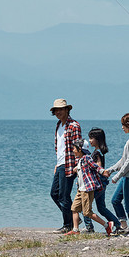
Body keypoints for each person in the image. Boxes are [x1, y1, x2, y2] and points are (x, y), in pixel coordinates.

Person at [65, 139, 114, 236]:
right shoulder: (80, 160)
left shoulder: (87, 158)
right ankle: (75, 230)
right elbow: (81, 170)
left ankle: (107, 225)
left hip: (87, 190)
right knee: (74, 208)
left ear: (80, 149)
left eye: (74, 148)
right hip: (81, 190)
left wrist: (103, 172)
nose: (73, 150)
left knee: (87, 212)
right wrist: (75, 169)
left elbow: (95, 167)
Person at [49, 98, 81, 234]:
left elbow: (78, 146)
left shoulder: (74, 125)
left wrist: (77, 165)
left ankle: (68, 224)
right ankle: (72, 219)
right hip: (61, 164)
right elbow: (59, 147)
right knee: (54, 193)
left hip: (70, 164)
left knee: (63, 195)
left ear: (67, 110)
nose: (58, 112)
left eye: (61, 109)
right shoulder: (58, 125)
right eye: (56, 110)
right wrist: (57, 163)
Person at [81, 128, 121, 233]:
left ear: (97, 139)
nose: (89, 141)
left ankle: (89, 227)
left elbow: (98, 167)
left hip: (97, 183)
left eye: (91, 138)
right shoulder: (99, 152)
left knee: (85, 204)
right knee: (101, 207)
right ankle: (117, 224)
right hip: (102, 183)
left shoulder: (97, 153)